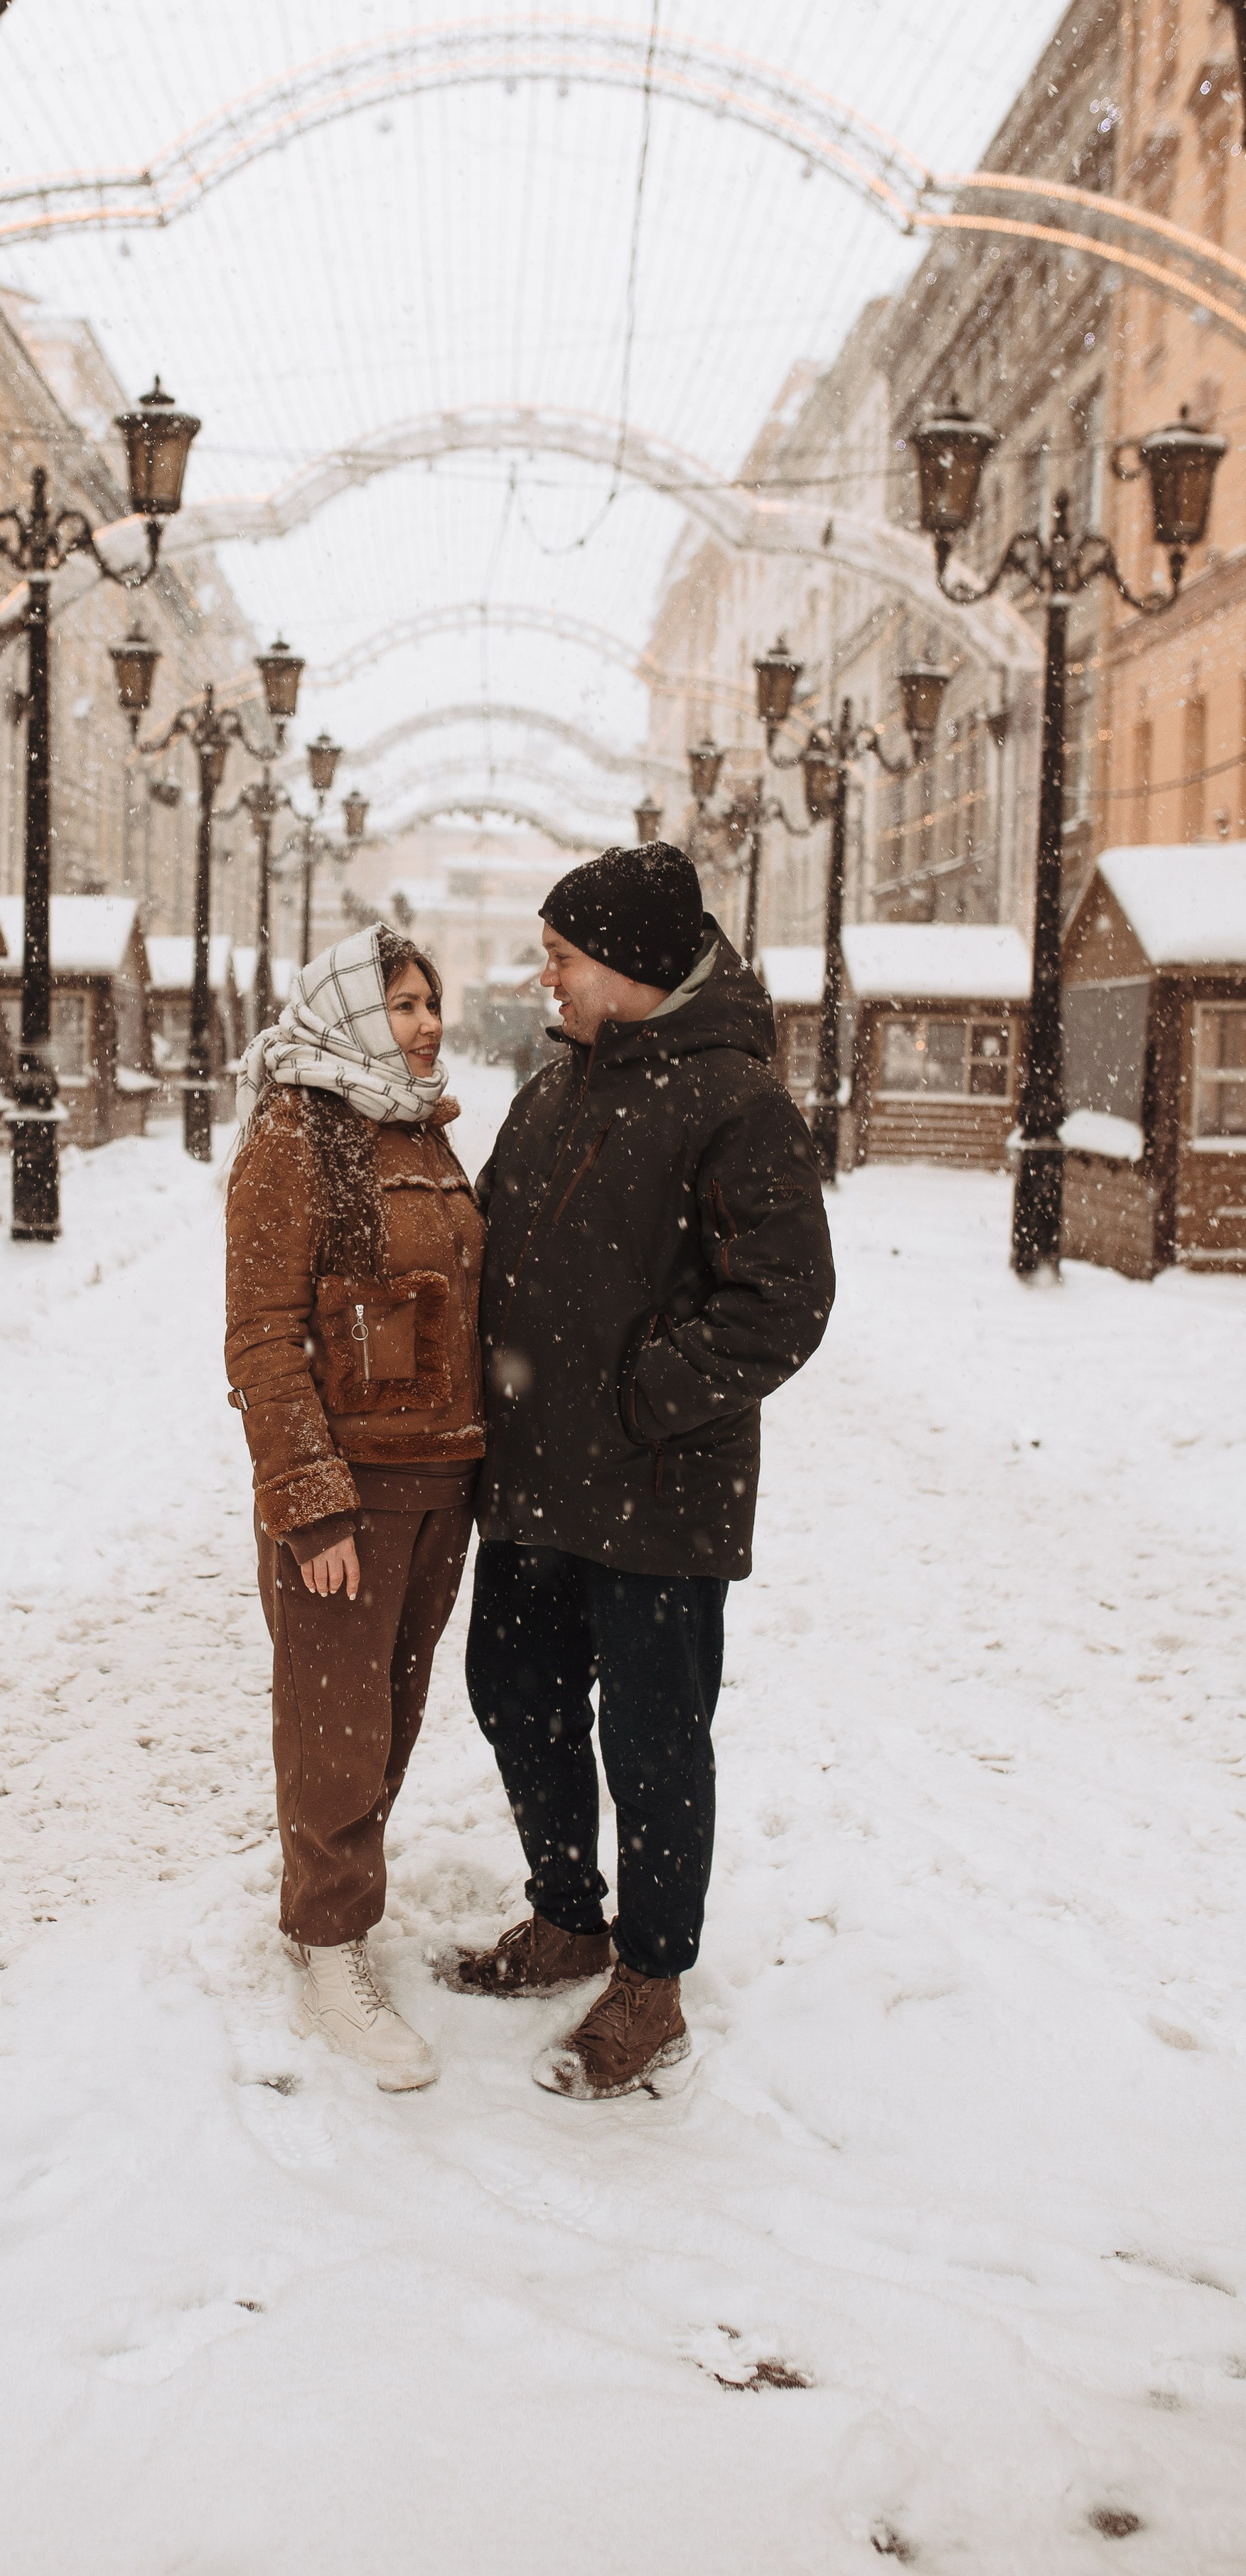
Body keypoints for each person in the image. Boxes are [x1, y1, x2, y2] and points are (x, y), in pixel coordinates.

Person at [446, 843, 834, 2099]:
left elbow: (784, 1301)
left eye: (561, 956)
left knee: (656, 1738)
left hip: (661, 1486)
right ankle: (568, 1916)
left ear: (626, 964)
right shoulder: (553, 1087)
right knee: (513, 1687)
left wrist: (636, 1399)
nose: (544, 975)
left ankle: (653, 1980)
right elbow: (491, 1231)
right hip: (538, 1476)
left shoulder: (737, 1100)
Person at [226, 925, 485, 2091]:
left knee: (388, 1711)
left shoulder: (425, 1129)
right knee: (333, 1722)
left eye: (432, 1001)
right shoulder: (299, 1133)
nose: (426, 1024)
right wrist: (311, 1507)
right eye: (402, 1004)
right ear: (346, 1011)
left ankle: (342, 1912)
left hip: (442, 1483)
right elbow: (265, 1336)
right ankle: (328, 1944)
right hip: (354, 1490)